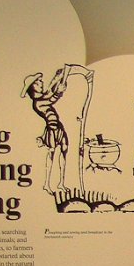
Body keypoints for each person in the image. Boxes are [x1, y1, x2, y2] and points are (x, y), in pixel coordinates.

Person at [22, 64, 91, 193]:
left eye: (40, 81)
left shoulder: (42, 98)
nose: (41, 83)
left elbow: (50, 93)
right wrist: (59, 89)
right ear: (32, 89)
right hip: (51, 130)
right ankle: (47, 183)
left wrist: (58, 79)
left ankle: (61, 182)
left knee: (64, 151)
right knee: (52, 153)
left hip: (59, 128)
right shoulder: (38, 102)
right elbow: (51, 99)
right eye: (37, 83)